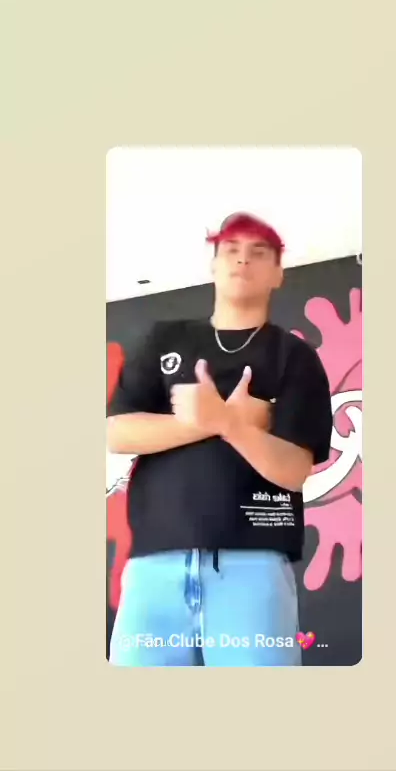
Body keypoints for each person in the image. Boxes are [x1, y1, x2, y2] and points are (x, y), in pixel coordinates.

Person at [107, 212, 333, 666]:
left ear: (278, 273)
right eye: (230, 249)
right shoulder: (164, 339)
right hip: (153, 568)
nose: (242, 260)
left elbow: (293, 470)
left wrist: (230, 426)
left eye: (259, 252)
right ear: (213, 264)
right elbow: (117, 432)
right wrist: (220, 420)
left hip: (253, 567)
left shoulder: (294, 357)